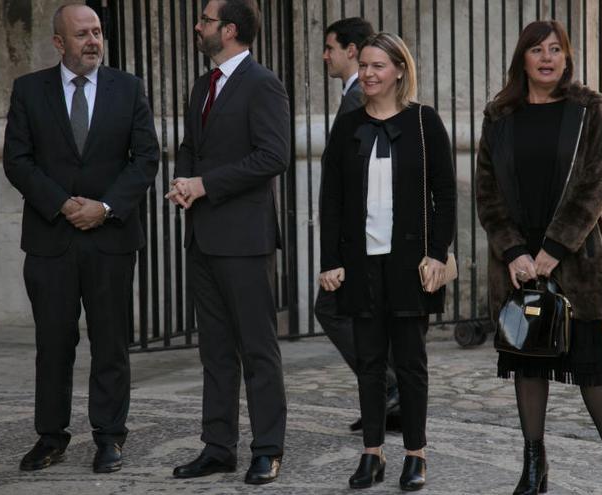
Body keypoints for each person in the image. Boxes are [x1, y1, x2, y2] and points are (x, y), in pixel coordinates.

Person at [475, 20, 602, 495]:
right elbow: (487, 193)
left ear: (566, 58)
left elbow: (596, 186)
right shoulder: (499, 115)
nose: (547, 58)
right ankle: (533, 466)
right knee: (528, 363)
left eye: (555, 50)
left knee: (591, 365)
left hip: (574, 261)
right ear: (521, 58)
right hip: (517, 265)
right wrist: (515, 252)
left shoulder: (587, 111)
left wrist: (553, 250)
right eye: (536, 50)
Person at [3, 4, 159, 474]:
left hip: (110, 238)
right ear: (59, 43)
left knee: (111, 342)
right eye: (82, 34)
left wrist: (105, 207)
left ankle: (110, 437)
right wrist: (63, 203)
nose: (93, 40)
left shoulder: (127, 88)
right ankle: (50, 437)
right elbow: (17, 159)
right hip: (52, 239)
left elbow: (145, 157)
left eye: (97, 32)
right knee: (54, 343)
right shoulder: (29, 91)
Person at [319, 32, 456, 491]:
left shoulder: (424, 123)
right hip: (361, 263)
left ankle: (415, 454)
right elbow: (331, 198)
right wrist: (330, 260)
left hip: (409, 264)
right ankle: (372, 454)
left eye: (379, 66)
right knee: (371, 362)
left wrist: (437, 254)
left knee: (412, 362)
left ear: (399, 70)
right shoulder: (348, 125)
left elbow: (446, 195)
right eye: (365, 66)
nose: (369, 74)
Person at [165, 0, 289, 486]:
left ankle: (268, 449)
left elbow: (272, 156)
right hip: (202, 239)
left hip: (245, 241)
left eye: (206, 20)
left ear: (230, 30)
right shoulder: (203, 83)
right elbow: (190, 147)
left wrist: (206, 185)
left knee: (257, 350)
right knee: (214, 352)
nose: (198, 27)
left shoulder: (263, 84)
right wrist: (181, 179)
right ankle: (218, 448)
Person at [318, 17, 402, 433]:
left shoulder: (358, 101)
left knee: (331, 308)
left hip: (361, 236)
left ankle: (388, 387)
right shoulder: (353, 97)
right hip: (363, 235)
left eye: (330, 47)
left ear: (351, 50)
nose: (324, 55)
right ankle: (386, 397)